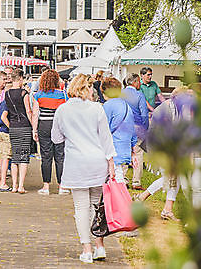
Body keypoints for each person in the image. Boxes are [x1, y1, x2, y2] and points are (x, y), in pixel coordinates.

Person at [51, 73, 116, 263]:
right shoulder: (97, 109)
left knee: (81, 208)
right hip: (97, 161)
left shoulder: (62, 110)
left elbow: (56, 138)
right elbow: (106, 138)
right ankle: (99, 245)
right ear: (86, 89)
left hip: (76, 162)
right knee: (96, 206)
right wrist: (111, 163)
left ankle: (87, 249)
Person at [136, 87, 196, 220]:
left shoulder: (171, 108)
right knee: (170, 177)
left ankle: (167, 209)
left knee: (175, 178)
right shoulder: (167, 110)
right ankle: (142, 197)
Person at [32, 69, 68, 195]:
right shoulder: (63, 95)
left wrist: (34, 130)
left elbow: (36, 113)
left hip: (44, 126)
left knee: (46, 157)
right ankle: (62, 186)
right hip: (59, 126)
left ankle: (46, 186)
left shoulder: (38, 95)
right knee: (60, 157)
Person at [2, 68, 33, 194]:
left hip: (13, 127)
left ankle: (14, 186)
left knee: (15, 157)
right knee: (24, 156)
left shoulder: (7, 94)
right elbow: (28, 111)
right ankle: (21, 186)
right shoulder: (24, 93)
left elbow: (7, 112)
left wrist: (10, 126)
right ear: (20, 78)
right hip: (24, 126)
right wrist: (34, 128)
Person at [102, 77, 136, 184]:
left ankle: (117, 199)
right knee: (119, 175)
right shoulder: (126, 106)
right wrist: (133, 148)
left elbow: (103, 128)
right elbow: (132, 129)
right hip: (124, 147)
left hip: (112, 147)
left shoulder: (108, 106)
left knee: (113, 178)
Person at [121, 73, 149, 189]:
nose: (140, 84)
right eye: (139, 81)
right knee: (137, 153)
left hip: (122, 128)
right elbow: (144, 114)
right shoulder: (139, 95)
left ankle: (122, 179)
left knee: (123, 153)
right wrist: (145, 128)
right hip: (137, 128)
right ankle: (136, 182)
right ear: (135, 82)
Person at [0, 82, 12, 191]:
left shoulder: (2, 103)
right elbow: (4, 116)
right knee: (6, 158)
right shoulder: (7, 104)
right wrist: (10, 127)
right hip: (6, 132)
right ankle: (3, 183)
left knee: (1, 158)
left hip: (0, 131)